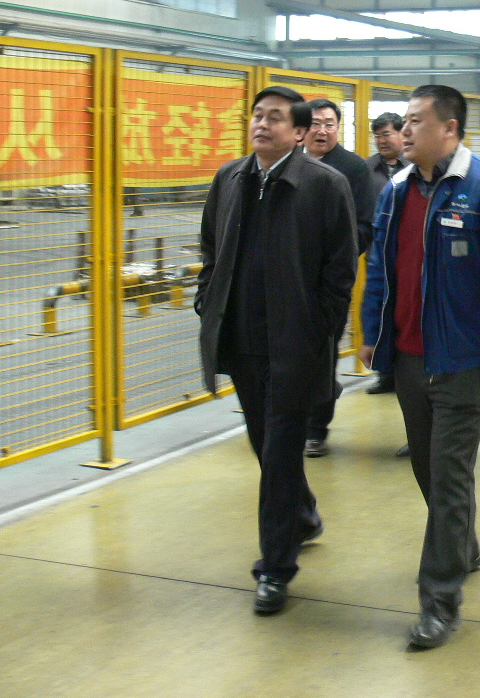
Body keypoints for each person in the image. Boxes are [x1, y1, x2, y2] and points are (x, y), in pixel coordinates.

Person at [360, 84, 480, 649]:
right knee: (427, 468)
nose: (404, 131)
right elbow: (381, 269)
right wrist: (372, 334)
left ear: (450, 129)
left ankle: (439, 601)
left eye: (416, 121)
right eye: (404, 122)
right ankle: (462, 546)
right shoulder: (396, 190)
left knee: (449, 471)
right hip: (410, 355)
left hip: (464, 358)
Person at [196, 85, 358, 616]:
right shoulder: (230, 179)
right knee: (265, 444)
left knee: (282, 449)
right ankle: (303, 516)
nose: (261, 125)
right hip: (243, 340)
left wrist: (321, 330)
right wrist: (207, 299)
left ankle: (275, 569)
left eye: (275, 118)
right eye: (257, 116)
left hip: (295, 343)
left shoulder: (325, 185)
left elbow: (340, 269)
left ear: (299, 131)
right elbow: (210, 247)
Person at [302, 98, 373, 458]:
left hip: (328, 281)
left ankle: (316, 429)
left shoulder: (352, 168)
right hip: (286, 279)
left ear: (338, 128)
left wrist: (330, 257)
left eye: (329, 124)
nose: (322, 130)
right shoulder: (289, 163)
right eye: (315, 123)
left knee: (322, 353)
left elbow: (364, 226)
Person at [362, 111, 408, 396]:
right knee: (379, 310)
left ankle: (407, 370)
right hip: (378, 254)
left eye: (387, 134)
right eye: (377, 136)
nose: (381, 140)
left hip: (410, 255)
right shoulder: (366, 170)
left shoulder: (416, 167)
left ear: (401, 133)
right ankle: (384, 373)